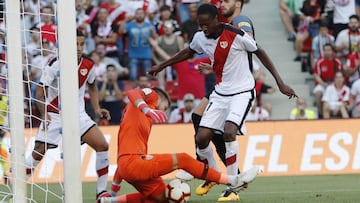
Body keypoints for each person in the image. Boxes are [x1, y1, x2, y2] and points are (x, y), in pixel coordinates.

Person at [148, 3, 296, 201]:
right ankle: (213, 175)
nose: (203, 29)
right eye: (200, 25)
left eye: (207, 24)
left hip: (242, 91)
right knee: (201, 137)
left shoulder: (236, 34)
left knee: (228, 132)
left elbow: (259, 52)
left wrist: (280, 82)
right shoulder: (201, 37)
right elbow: (188, 52)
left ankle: (233, 187)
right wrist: (162, 66)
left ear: (217, 20)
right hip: (221, 91)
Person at [101, 87, 260, 203]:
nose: (162, 111)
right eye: (164, 107)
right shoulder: (151, 97)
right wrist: (148, 110)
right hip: (135, 163)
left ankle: (109, 202)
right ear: (160, 100)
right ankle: (232, 180)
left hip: (127, 167)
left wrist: (113, 192)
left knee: (161, 199)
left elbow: (123, 164)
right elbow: (132, 93)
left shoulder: (130, 119)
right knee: (182, 159)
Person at [25, 30, 112, 201]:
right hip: (54, 114)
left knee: (102, 145)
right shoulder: (55, 64)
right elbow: (40, 91)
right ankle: (17, 185)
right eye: (75, 44)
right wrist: (44, 114)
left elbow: (92, 86)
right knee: (38, 152)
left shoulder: (89, 65)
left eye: (81, 44)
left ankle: (101, 192)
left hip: (78, 114)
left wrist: (96, 108)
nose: (78, 48)